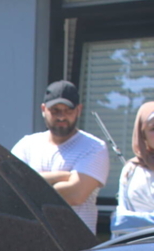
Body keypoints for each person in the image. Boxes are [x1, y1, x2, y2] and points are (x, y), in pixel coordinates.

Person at [11, 80, 110, 234]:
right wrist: (61, 176)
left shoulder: (93, 147)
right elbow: (9, 187)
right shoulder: (26, 145)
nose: (62, 116)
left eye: (68, 110)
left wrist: (27, 183)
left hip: (76, 244)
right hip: (30, 239)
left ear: (79, 110)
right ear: (43, 109)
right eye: (55, 110)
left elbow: (75, 195)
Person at [112, 101, 154, 237]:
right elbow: (120, 221)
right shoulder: (131, 170)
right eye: (153, 128)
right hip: (139, 248)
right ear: (143, 135)